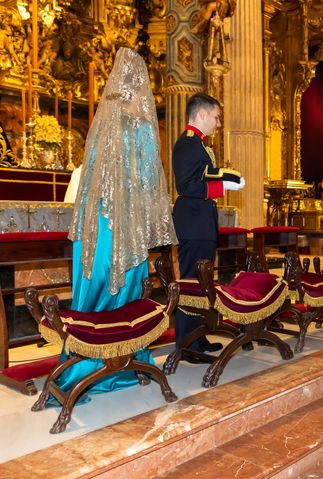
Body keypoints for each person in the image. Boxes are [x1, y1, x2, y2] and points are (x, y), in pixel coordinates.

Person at [63, 47, 177, 397]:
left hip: (96, 227)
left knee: (93, 291)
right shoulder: (142, 130)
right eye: (143, 90)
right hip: (124, 228)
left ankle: (83, 363)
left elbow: (90, 182)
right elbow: (147, 184)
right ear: (135, 90)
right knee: (125, 292)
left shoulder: (102, 127)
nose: (146, 97)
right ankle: (125, 362)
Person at [172, 93, 245, 355]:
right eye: (216, 117)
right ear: (201, 114)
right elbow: (186, 185)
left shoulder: (199, 145)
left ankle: (198, 336)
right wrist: (221, 186)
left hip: (200, 222)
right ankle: (186, 344)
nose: (218, 123)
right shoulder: (187, 144)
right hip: (192, 222)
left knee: (203, 282)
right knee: (192, 282)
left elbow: (201, 177)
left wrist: (224, 179)